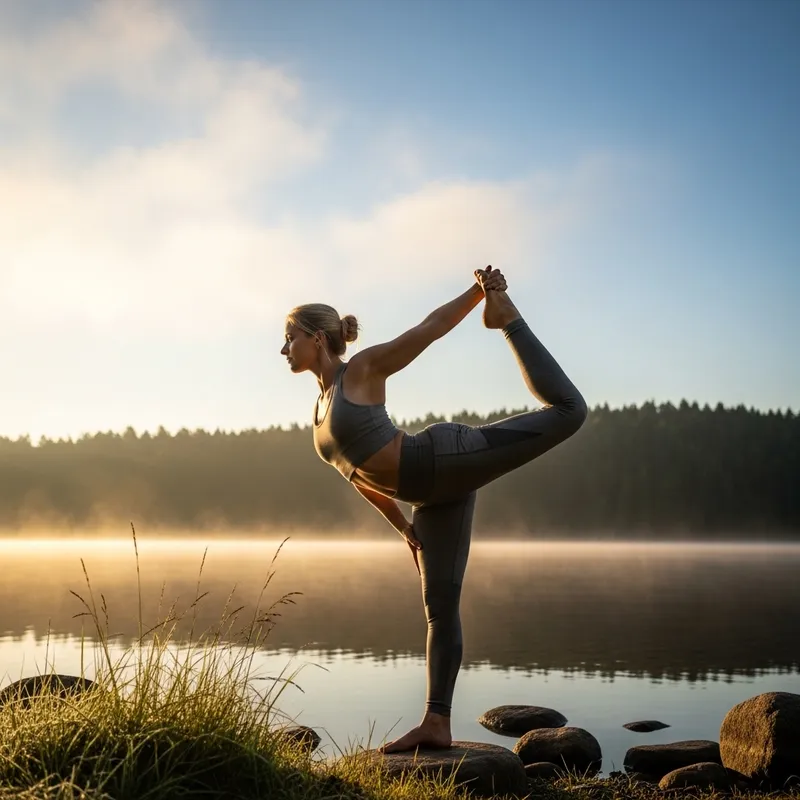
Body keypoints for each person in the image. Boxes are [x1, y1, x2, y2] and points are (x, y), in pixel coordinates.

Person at [280, 266, 588, 753]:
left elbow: (428, 329)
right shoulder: (319, 411)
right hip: (431, 496)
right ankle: (436, 724)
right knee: (439, 609)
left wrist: (478, 293)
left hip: (444, 457)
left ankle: (505, 316)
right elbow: (358, 476)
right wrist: (403, 526)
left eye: (289, 337)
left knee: (570, 411)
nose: (284, 349)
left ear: (317, 338)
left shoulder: (359, 372)